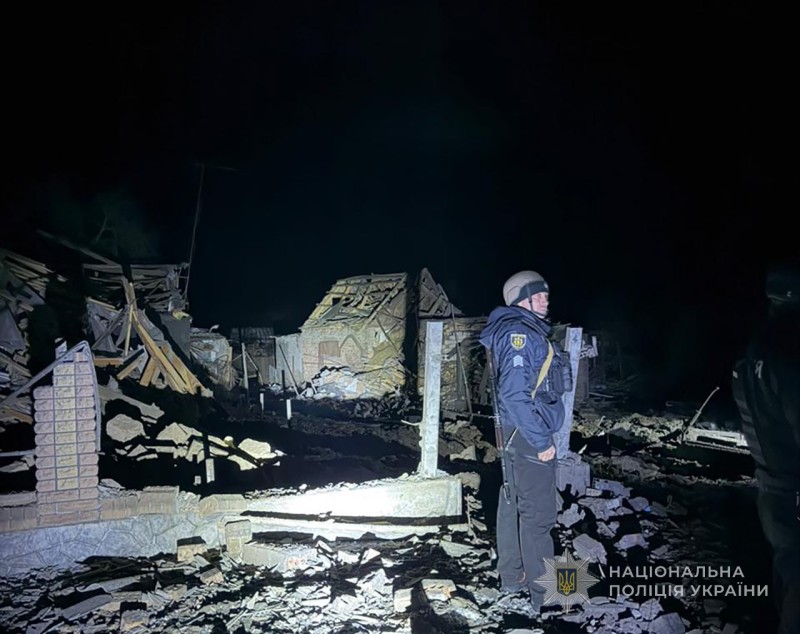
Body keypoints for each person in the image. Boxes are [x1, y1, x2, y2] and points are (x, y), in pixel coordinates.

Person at [480, 270, 566, 612]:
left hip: (517, 433)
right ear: (520, 300)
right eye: (537, 295)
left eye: (546, 294)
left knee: (512, 504)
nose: (545, 300)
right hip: (530, 435)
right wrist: (542, 441)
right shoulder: (521, 332)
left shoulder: (515, 329)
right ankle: (549, 597)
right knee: (539, 516)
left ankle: (512, 578)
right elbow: (514, 394)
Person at [732, 264, 800, 634]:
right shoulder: (790, 356)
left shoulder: (754, 353)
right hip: (793, 487)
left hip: (771, 489)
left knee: (787, 574)